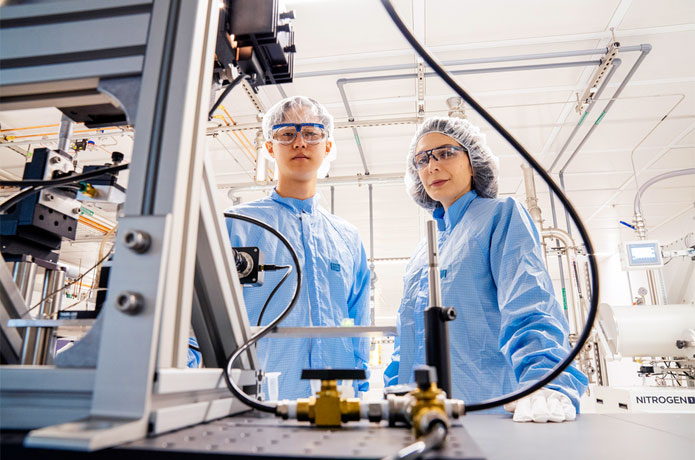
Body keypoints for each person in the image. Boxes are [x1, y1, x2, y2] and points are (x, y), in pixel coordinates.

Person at [383, 116, 588, 422]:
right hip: (421, 416)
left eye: (445, 153)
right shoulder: (423, 252)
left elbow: (529, 301)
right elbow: (407, 337)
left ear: (473, 161)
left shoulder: (500, 217)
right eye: (422, 159)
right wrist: (393, 393)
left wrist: (544, 380)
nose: (432, 166)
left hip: (489, 409)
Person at [225, 96, 370, 400]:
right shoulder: (236, 226)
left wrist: (359, 389)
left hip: (338, 400)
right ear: (269, 147)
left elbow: (358, 324)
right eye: (287, 134)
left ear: (327, 145)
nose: (300, 143)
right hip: (261, 399)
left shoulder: (347, 238)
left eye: (311, 133)